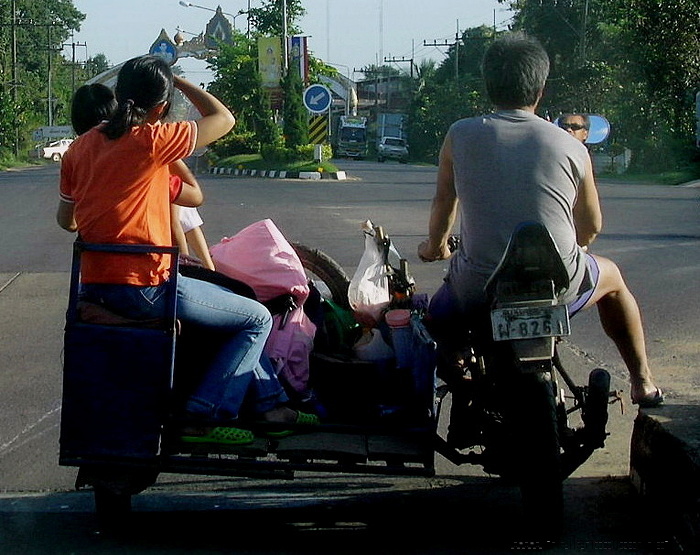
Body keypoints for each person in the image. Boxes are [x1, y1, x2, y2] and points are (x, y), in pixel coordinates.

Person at [57, 56, 318, 446]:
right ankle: (202, 412)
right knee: (257, 318)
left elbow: (68, 221)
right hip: (147, 288)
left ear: (119, 94)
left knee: (233, 308)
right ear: (160, 108)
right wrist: (178, 80)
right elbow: (223, 119)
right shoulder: (153, 141)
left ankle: (270, 403)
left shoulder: (78, 149)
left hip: (95, 285)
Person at [418, 33, 663, 408]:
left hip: (478, 288)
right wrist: (571, 248)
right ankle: (642, 382)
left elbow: (443, 207)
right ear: (541, 88)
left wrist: (434, 248)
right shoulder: (572, 146)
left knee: (433, 319)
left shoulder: (460, 135)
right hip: (558, 283)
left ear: (488, 85)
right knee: (613, 281)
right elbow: (592, 227)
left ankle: (462, 376)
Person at [70, 83, 213, 270]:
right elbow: (193, 200)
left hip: (96, 275)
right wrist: (168, 154)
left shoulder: (75, 158)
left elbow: (68, 222)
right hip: (146, 277)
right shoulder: (146, 160)